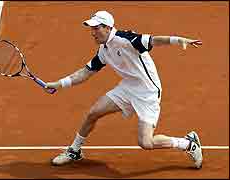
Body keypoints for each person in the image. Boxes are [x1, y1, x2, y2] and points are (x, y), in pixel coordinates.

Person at [45, 10, 203, 169]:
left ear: (107, 28)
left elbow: (154, 40)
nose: (92, 33)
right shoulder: (104, 50)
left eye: (96, 28)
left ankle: (188, 144)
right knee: (93, 113)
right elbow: (85, 73)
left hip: (147, 93)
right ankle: (74, 151)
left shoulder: (126, 39)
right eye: (91, 29)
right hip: (128, 87)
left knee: (146, 142)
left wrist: (178, 40)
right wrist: (58, 84)